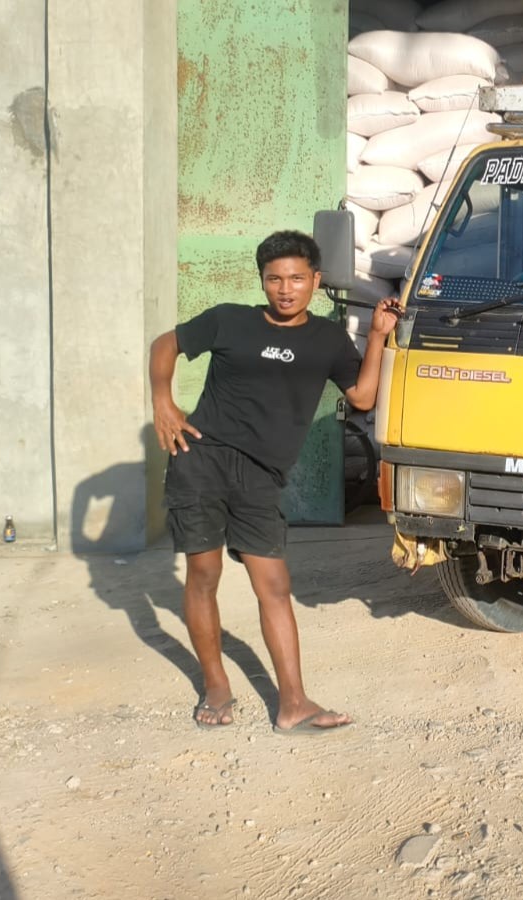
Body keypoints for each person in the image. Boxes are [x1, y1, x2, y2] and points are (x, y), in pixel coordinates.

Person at [149, 230, 400, 735]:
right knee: (203, 575)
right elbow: (166, 344)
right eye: (275, 279)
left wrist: (376, 337)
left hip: (261, 477)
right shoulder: (229, 320)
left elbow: (364, 397)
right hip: (203, 461)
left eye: (297, 279)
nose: (286, 289)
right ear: (262, 281)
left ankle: (293, 702)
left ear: (316, 281)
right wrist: (163, 400)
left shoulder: (327, 340)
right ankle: (216, 685)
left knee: (274, 587)